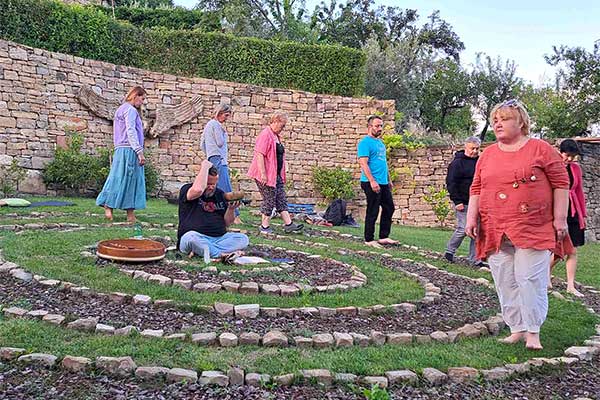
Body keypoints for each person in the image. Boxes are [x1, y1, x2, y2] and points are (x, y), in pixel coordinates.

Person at [466, 99, 570, 350]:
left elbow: (560, 183)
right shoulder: (488, 153)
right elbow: (477, 187)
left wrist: (560, 218)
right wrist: (472, 217)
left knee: (529, 278)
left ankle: (533, 332)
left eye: (504, 118)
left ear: (521, 121)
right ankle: (516, 328)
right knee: (504, 279)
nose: (497, 123)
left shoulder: (541, 149)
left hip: (532, 225)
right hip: (494, 226)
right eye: (494, 120)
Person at [177, 160, 249, 261]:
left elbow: (227, 223)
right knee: (191, 238)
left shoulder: (220, 194)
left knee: (243, 239)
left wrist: (231, 209)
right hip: (194, 237)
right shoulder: (187, 190)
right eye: (208, 183)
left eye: (214, 184)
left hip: (218, 239)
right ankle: (220, 254)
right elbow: (198, 190)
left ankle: (205, 251)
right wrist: (205, 166)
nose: (211, 187)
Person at [96, 86, 147, 223]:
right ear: (135, 96)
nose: (142, 102)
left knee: (118, 178)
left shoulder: (121, 109)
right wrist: (139, 152)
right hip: (129, 149)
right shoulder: (130, 111)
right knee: (131, 180)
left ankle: (114, 208)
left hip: (120, 149)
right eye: (142, 99)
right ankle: (122, 210)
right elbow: (131, 131)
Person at [247, 113, 303, 234]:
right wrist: (263, 174)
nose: (282, 129)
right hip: (265, 175)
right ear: (275, 121)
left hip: (275, 174)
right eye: (282, 126)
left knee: (281, 198)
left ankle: (289, 224)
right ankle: (264, 226)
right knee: (269, 198)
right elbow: (259, 154)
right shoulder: (265, 135)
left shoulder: (275, 136)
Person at [549, 139, 587, 297]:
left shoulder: (576, 169)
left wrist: (582, 215)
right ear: (560, 151)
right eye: (567, 155)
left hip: (573, 212)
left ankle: (570, 285)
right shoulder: (551, 165)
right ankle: (545, 274)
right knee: (557, 250)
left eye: (573, 156)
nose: (570, 159)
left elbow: (578, 191)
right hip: (556, 211)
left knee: (573, 250)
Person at [357, 115, 398, 248]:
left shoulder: (380, 143)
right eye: (377, 126)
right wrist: (372, 181)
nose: (380, 128)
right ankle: (369, 239)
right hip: (370, 182)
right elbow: (363, 163)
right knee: (373, 209)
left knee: (389, 207)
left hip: (383, 182)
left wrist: (389, 179)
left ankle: (384, 237)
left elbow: (383, 163)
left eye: (381, 126)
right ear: (370, 127)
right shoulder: (365, 143)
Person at [200, 103, 242, 224]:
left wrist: (209, 153)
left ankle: (213, 211)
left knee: (213, 186)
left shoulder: (208, 125)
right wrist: (224, 133)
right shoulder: (217, 125)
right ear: (220, 113)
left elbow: (201, 144)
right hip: (219, 158)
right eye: (226, 115)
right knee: (225, 186)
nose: (226, 118)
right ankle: (235, 215)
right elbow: (219, 142)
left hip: (211, 157)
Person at [444, 136, 482, 265]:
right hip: (463, 202)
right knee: (463, 229)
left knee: (477, 231)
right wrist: (457, 201)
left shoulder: (480, 162)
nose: (475, 151)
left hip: (478, 202)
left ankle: (475, 259)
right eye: (472, 148)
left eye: (477, 149)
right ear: (466, 147)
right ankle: (449, 251)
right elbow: (451, 183)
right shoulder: (457, 163)